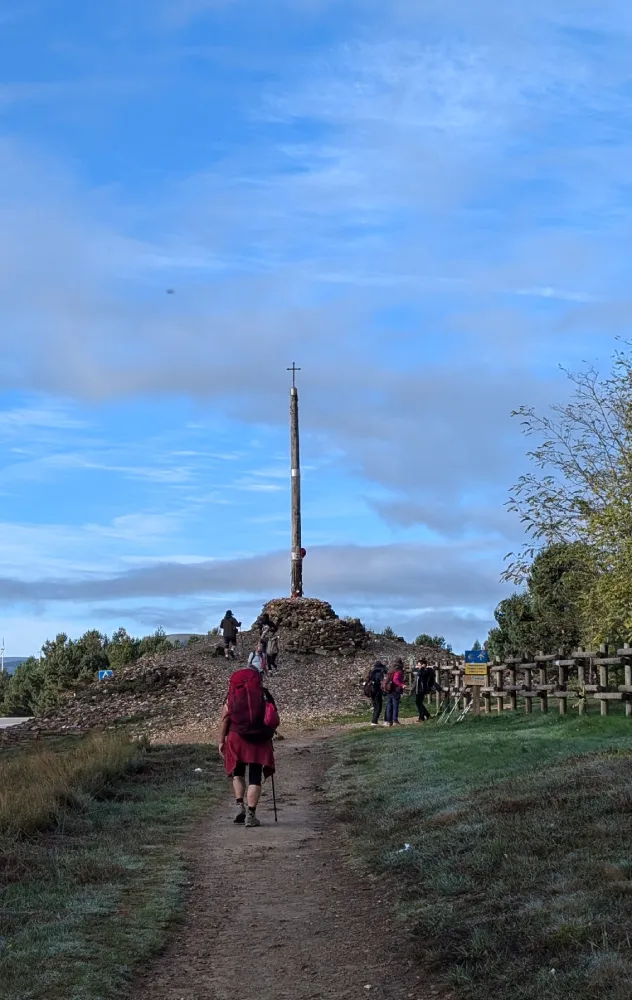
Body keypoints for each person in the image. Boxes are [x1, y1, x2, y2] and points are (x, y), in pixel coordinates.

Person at [218, 664, 276, 828]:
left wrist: (221, 740)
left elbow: (225, 719)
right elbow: (272, 719)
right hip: (258, 739)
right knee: (255, 777)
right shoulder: (264, 695)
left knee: (238, 773)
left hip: (236, 738)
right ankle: (251, 816)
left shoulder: (232, 695)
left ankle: (239, 807)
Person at [383, 657, 406, 727]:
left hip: (389, 690)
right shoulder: (398, 671)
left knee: (389, 706)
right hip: (395, 690)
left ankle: (389, 721)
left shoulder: (391, 670)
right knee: (395, 706)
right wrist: (402, 685)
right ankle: (395, 720)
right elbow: (395, 680)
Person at [366, 660, 388, 726]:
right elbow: (382, 682)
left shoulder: (372, 673)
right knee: (378, 707)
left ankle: (374, 720)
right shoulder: (379, 674)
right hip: (377, 691)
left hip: (371, 691)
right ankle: (374, 721)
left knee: (375, 706)